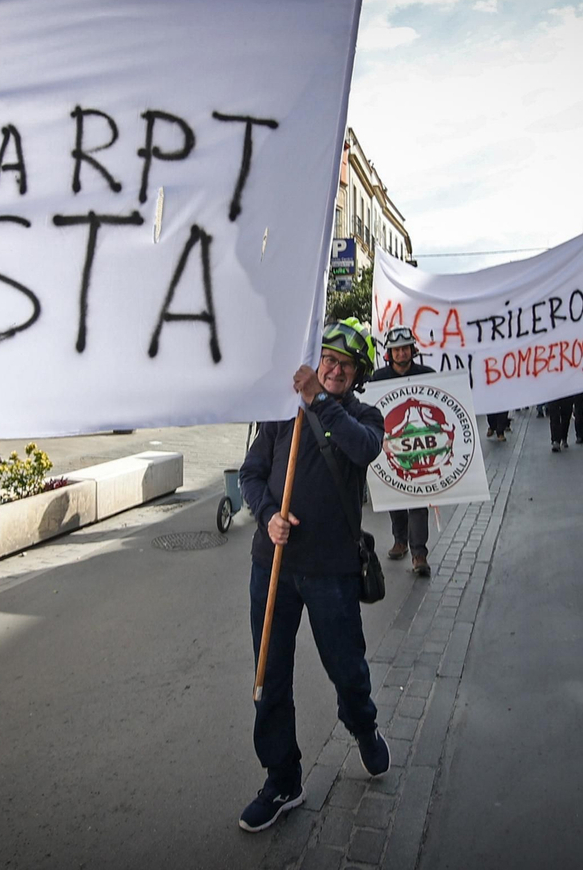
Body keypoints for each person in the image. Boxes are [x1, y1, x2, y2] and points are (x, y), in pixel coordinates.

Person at [236, 318, 389, 833]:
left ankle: (363, 728)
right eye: (328, 358)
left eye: (345, 364)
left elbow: (362, 449)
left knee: (347, 671)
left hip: (331, 572)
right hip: (273, 565)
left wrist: (317, 400)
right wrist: (266, 515)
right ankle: (283, 779)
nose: (334, 368)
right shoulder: (283, 413)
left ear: (357, 374)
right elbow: (252, 475)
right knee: (270, 675)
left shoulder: (364, 416)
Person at [369, 327, 435, 577]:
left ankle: (419, 554)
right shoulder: (378, 379)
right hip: (391, 446)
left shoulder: (428, 376)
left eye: (405, 348)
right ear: (389, 353)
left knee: (418, 499)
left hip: (422, 448)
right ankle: (400, 540)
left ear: (412, 350)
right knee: (394, 495)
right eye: (396, 349)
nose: (401, 353)